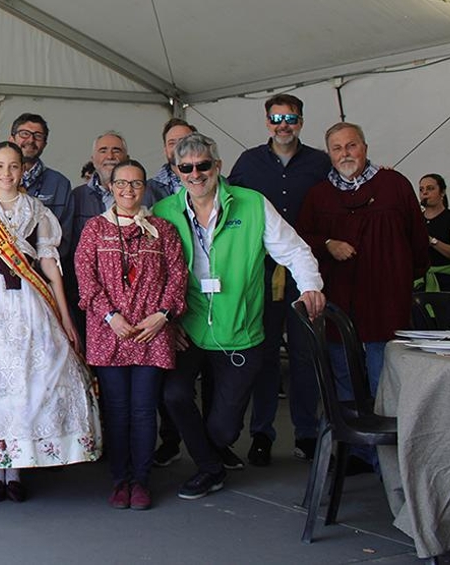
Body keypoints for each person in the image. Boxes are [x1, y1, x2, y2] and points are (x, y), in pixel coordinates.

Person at [152, 133, 324, 501]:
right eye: (186, 168)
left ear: (218, 167)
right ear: (176, 171)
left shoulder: (252, 204)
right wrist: (168, 321)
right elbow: (154, 273)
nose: (195, 174)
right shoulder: (164, 211)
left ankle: (212, 450)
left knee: (224, 428)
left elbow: (293, 251)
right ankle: (209, 469)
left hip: (240, 327)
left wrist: (310, 286)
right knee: (175, 394)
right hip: (189, 326)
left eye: (203, 166)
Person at [0, 141, 102, 503]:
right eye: (0, 166)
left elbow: (50, 264)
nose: (7, 173)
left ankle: (15, 469)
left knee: (28, 381)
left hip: (29, 301)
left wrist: (64, 314)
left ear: (22, 170)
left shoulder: (38, 211)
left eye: (14, 166)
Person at [297, 122, 429, 472]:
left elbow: (418, 240)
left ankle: (389, 459)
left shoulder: (393, 184)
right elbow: (301, 238)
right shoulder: (319, 195)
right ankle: (357, 452)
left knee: (382, 380)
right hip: (340, 305)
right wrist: (327, 244)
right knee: (343, 379)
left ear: (365, 147)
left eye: (351, 145)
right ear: (329, 154)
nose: (345, 153)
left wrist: (399, 278)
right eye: (337, 148)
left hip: (385, 305)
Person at [75, 159, 187, 510]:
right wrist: (111, 316)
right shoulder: (95, 229)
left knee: (143, 410)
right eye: (121, 183)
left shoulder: (163, 230)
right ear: (110, 187)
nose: (128, 190)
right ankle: (119, 479)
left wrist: (162, 316)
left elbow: (178, 278)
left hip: (151, 335)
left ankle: (141, 480)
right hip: (110, 333)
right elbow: (86, 278)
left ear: (145, 188)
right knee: (117, 409)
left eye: (136, 183)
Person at [228, 93, 331, 467]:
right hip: (261, 274)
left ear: (301, 121)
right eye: (276, 118)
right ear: (266, 122)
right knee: (265, 355)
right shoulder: (248, 163)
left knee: (305, 356)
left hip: (305, 274)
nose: (282, 125)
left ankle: (306, 432)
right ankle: (262, 434)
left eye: (290, 118)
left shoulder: (321, 162)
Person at [147, 118, 197, 469]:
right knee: (168, 380)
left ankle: (210, 442)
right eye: (171, 142)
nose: (178, 147)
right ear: (164, 148)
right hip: (161, 298)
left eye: (185, 140)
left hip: (206, 297)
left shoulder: (203, 178)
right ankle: (170, 439)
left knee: (204, 376)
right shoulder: (149, 190)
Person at [0, 113, 75, 265]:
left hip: (41, 274)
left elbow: (64, 237)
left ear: (45, 143)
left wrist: (39, 268)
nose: (31, 140)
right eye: (24, 134)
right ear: (12, 139)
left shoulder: (60, 184)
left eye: (38, 136)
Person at [416, 173, 450, 294]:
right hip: (421, 284)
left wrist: (431, 241)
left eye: (430, 188)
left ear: (442, 192)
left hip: (449, 284)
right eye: (421, 189)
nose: (424, 193)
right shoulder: (416, 220)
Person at [148, 118, 196, 202]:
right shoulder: (148, 188)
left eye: (183, 141)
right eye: (172, 143)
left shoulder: (217, 182)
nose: (177, 147)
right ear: (165, 150)